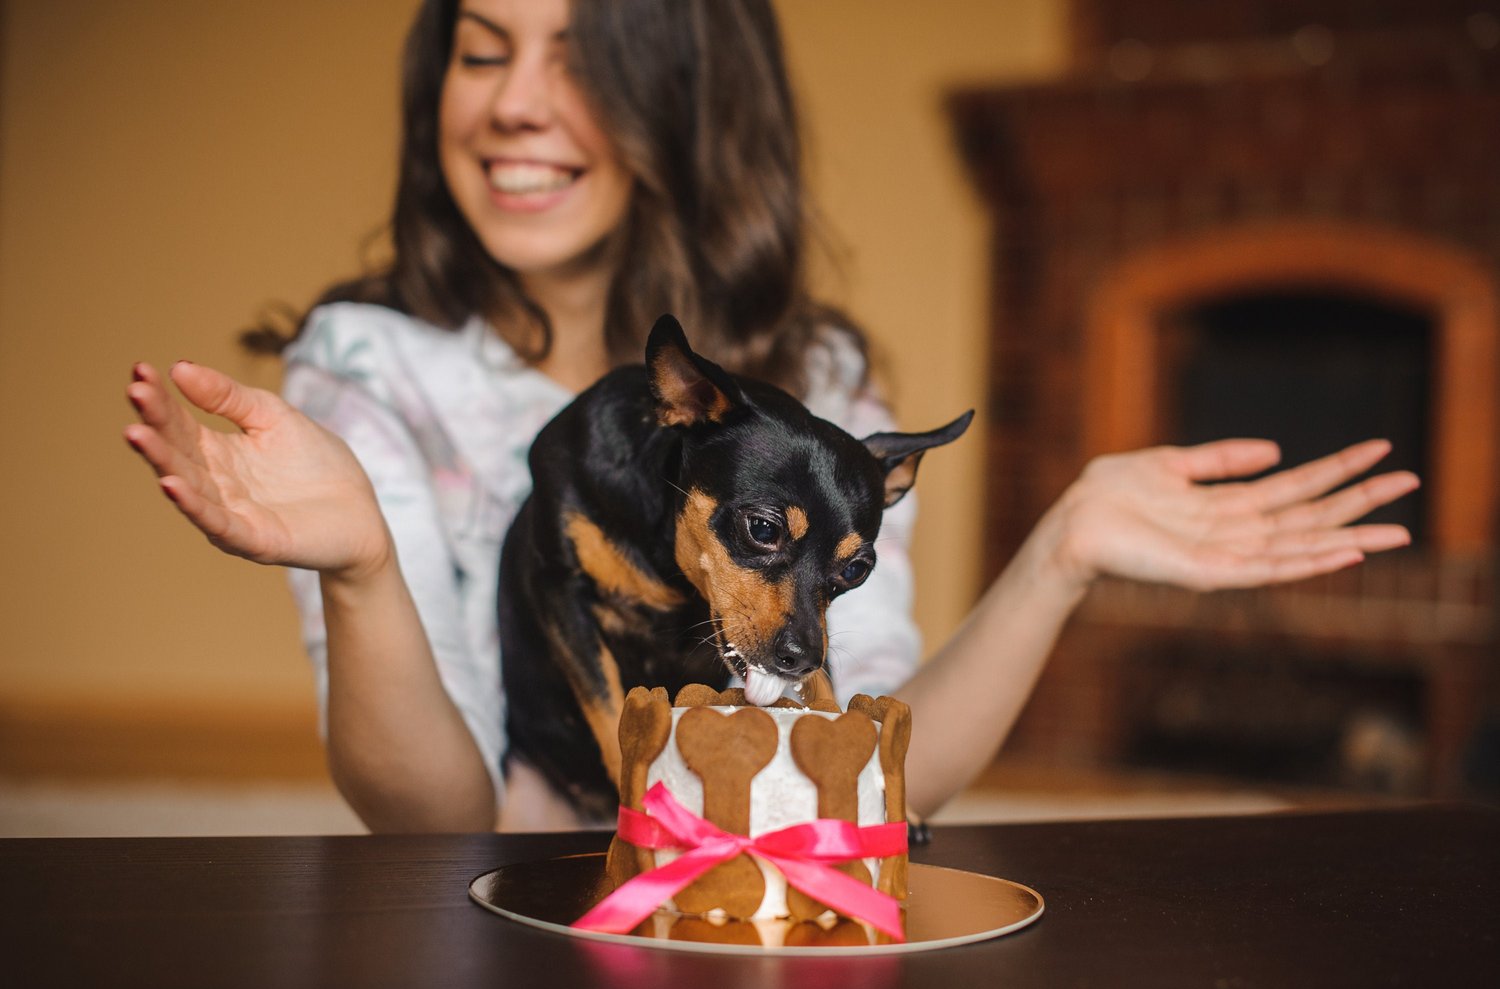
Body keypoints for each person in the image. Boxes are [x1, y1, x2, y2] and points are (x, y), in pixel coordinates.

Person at [122, 0, 1419, 833]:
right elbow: (440, 820)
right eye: (481, 49)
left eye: (584, 57)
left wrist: (1059, 553)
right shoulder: (366, 371)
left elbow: (872, 770)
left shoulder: (819, 379)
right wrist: (359, 570)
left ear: (683, 94)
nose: (515, 102)